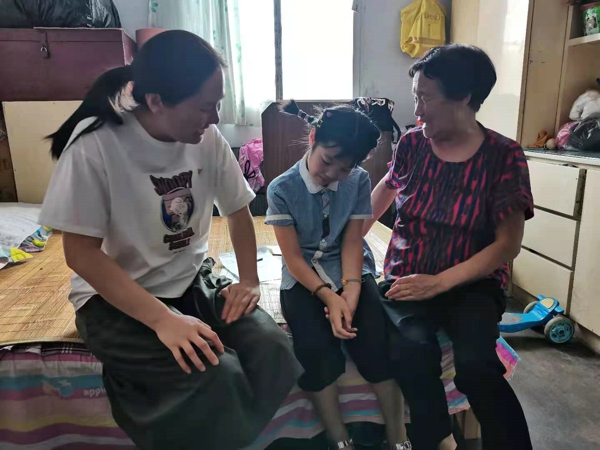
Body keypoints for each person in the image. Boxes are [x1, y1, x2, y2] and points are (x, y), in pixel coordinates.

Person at [39, 30, 301, 450]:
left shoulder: (206, 138)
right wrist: (163, 320)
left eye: (218, 104)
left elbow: (238, 210)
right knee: (217, 374)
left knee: (273, 350)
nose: (214, 118)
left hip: (189, 279)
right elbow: (80, 254)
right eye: (204, 107)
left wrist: (249, 280)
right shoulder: (95, 145)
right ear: (157, 101)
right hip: (112, 298)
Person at [364, 44, 534, 450]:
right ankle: (438, 440)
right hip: (407, 273)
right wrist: (345, 239)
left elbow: (507, 244)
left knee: (476, 365)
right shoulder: (412, 145)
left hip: (473, 282)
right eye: (415, 97)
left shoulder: (504, 156)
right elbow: (387, 188)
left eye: (425, 98)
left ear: (464, 98)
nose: (417, 111)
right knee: (412, 352)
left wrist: (440, 283)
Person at [266, 101, 410, 450]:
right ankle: (340, 440)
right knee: (314, 350)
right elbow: (294, 259)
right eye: (327, 160)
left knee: (375, 340)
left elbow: (352, 240)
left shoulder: (358, 180)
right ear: (312, 138)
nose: (331, 174)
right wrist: (329, 296)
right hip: (303, 278)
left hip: (351, 270)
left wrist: (352, 291)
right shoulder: (281, 189)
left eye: (344, 168)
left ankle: (399, 437)